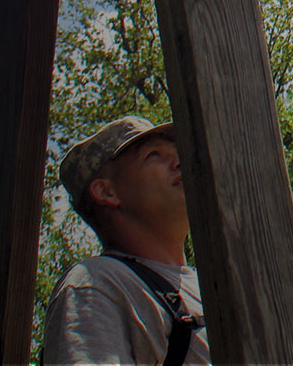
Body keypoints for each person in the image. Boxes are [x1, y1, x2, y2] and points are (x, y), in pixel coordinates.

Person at [42, 116, 209, 366]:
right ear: (106, 192)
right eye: (154, 155)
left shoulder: (213, 286)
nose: (179, 161)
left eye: (178, 151)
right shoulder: (96, 285)